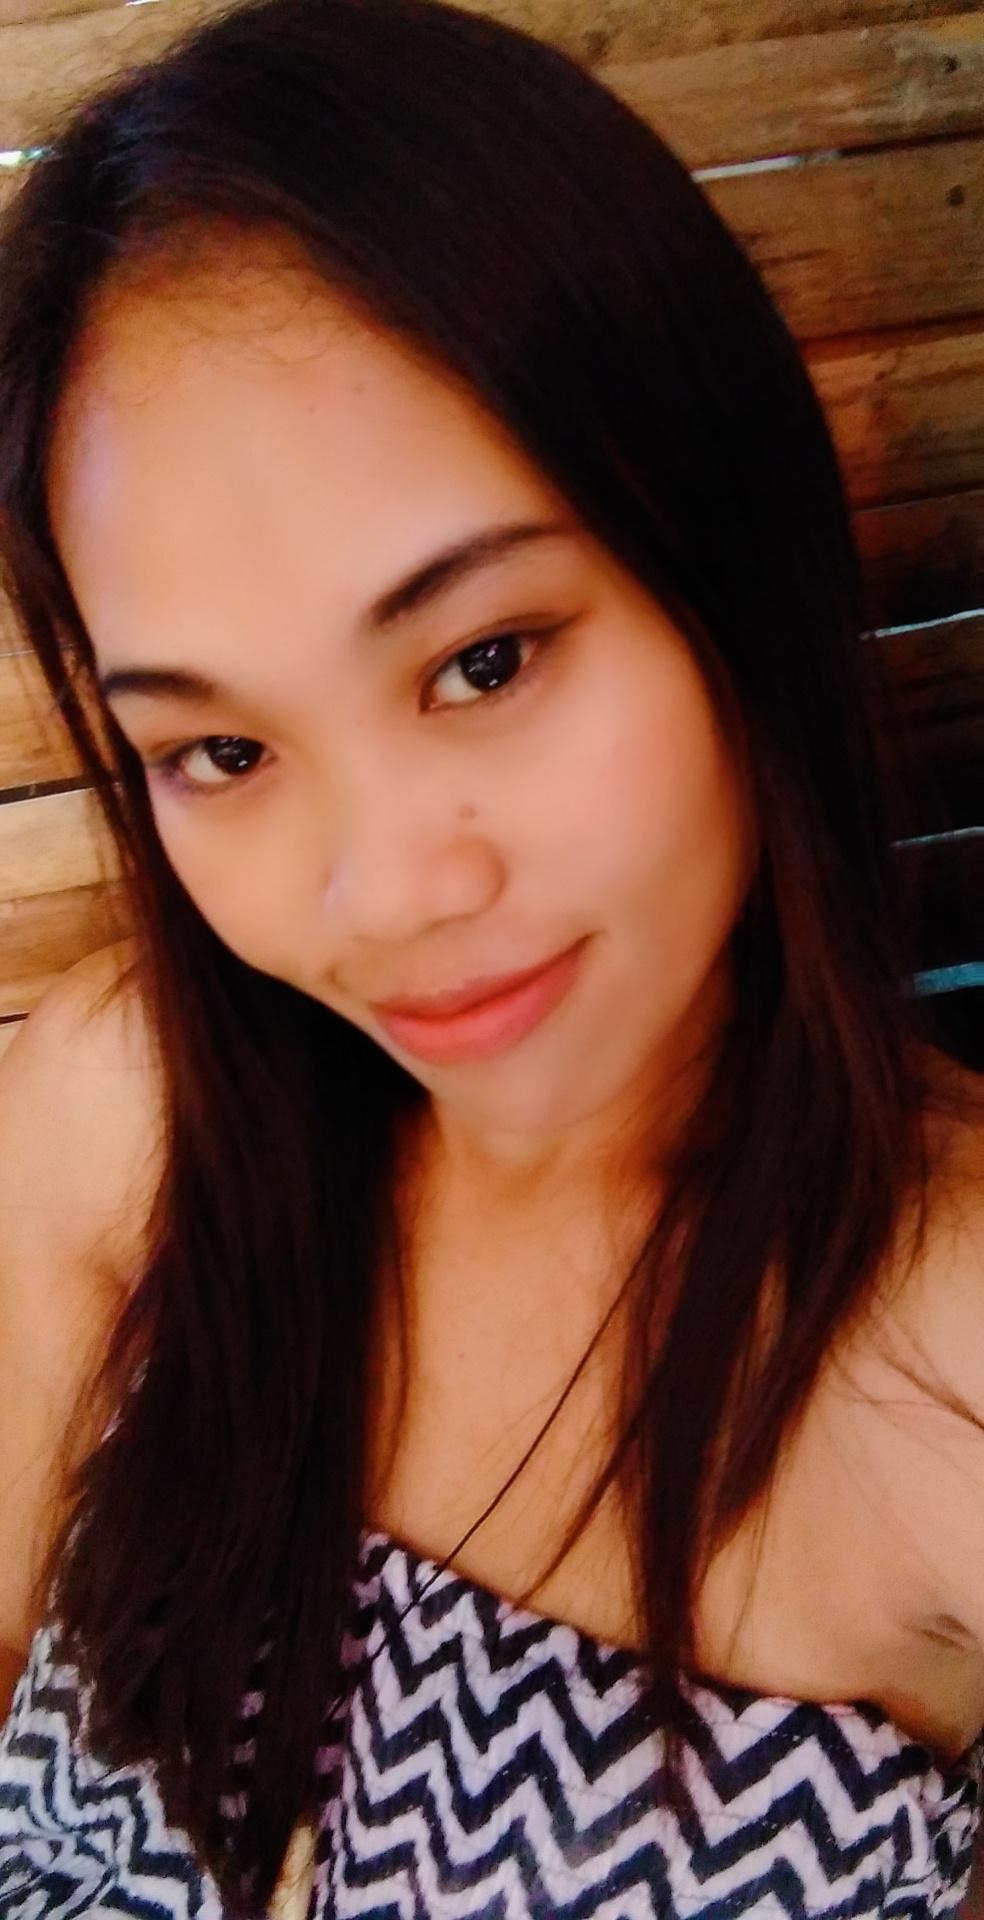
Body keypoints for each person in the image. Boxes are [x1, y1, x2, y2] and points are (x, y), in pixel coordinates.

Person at [0, 0, 982, 1913]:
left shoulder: (946, 1352)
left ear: (724, 569)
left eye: (486, 659)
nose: (382, 895)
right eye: (223, 752)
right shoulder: (130, 1121)